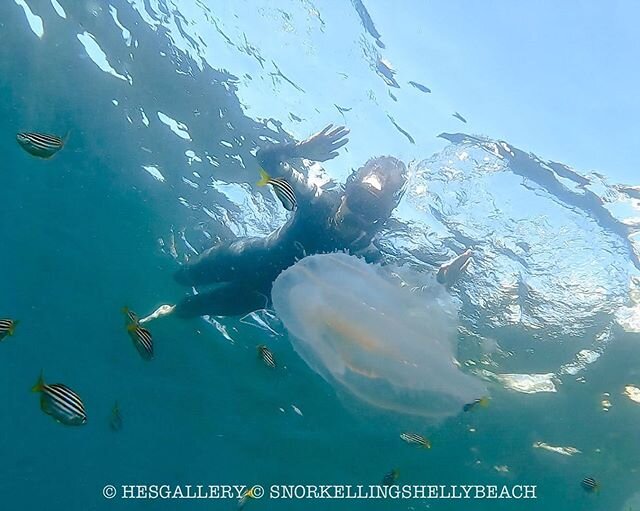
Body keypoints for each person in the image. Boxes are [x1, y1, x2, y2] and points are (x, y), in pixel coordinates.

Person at [147, 124, 408, 320]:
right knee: (180, 276)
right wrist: (298, 150)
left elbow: (405, 300)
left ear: (381, 220)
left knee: (189, 310)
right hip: (239, 257)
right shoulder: (315, 201)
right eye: (360, 199)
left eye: (373, 211)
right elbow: (266, 159)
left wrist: (445, 278)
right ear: (345, 193)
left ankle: (164, 316)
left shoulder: (369, 257)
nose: (359, 215)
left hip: (256, 298)